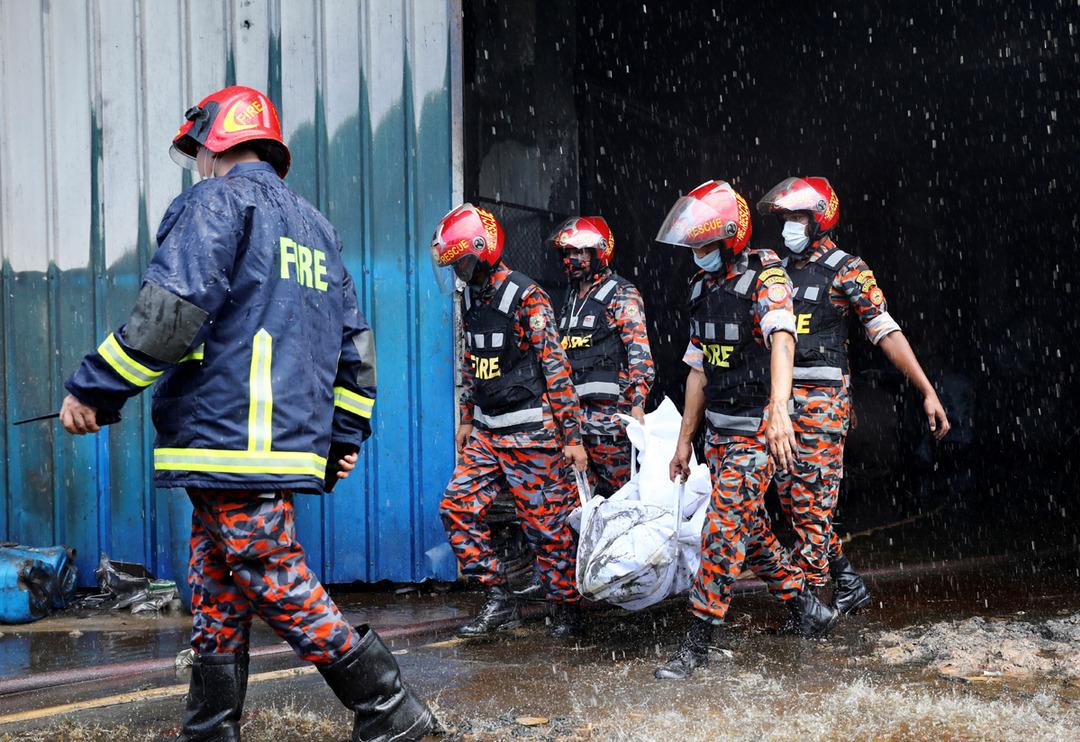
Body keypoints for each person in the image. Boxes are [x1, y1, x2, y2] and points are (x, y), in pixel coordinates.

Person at [60, 86, 435, 742]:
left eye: (197, 152)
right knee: (218, 586)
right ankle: (210, 728)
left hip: (227, 437)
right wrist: (343, 437)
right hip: (273, 443)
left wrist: (95, 390)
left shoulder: (216, 202)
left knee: (271, 575)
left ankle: (390, 708)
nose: (198, 166)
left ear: (214, 143)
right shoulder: (315, 228)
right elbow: (355, 348)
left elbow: (169, 315)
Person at [652, 180, 839, 680]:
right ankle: (806, 607)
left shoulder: (766, 276)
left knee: (721, 532)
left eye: (705, 243)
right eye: (693, 244)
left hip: (756, 431)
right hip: (719, 433)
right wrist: (684, 442)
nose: (698, 252)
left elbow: (783, 339)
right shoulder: (701, 288)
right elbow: (698, 369)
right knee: (750, 531)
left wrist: (779, 408)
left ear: (731, 237)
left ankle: (697, 643)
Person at [757, 176, 951, 615]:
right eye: (784, 218)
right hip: (780, 407)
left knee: (810, 510)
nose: (788, 226)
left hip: (822, 406)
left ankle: (812, 612)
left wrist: (926, 390)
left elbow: (885, 331)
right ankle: (848, 584)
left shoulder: (847, 269)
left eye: (797, 216)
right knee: (795, 504)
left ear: (820, 219)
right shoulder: (773, 272)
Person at [432, 203, 589, 638]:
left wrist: (572, 437)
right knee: (456, 507)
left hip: (531, 433)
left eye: (462, 263)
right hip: (487, 432)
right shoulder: (469, 297)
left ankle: (566, 608)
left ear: (483, 252)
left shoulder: (526, 296)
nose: (458, 272)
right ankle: (500, 598)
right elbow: (472, 361)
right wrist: (466, 418)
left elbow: (556, 368)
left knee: (547, 528)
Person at [551, 216, 655, 496]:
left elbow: (639, 351)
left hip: (611, 423)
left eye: (580, 252)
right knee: (580, 500)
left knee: (624, 497)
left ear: (599, 252)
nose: (572, 259)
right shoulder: (571, 298)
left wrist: (638, 402)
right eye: (568, 252)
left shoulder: (621, 293)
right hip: (576, 425)